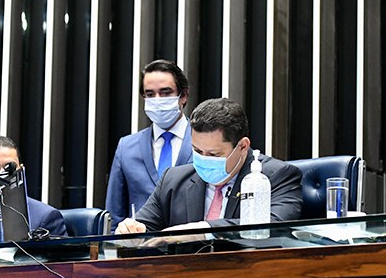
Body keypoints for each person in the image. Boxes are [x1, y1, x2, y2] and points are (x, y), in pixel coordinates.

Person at [115, 97, 303, 233]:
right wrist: (131, 230)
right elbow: (145, 226)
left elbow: (273, 226)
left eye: (214, 154)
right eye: (197, 151)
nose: (203, 159)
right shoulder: (173, 180)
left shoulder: (278, 176)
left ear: (243, 146)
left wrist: (204, 229)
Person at [105, 59, 194, 230]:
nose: (157, 100)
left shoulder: (205, 145)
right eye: (150, 94)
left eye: (165, 93)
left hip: (191, 243)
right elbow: (114, 215)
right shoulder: (126, 147)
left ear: (183, 96)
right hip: (140, 244)